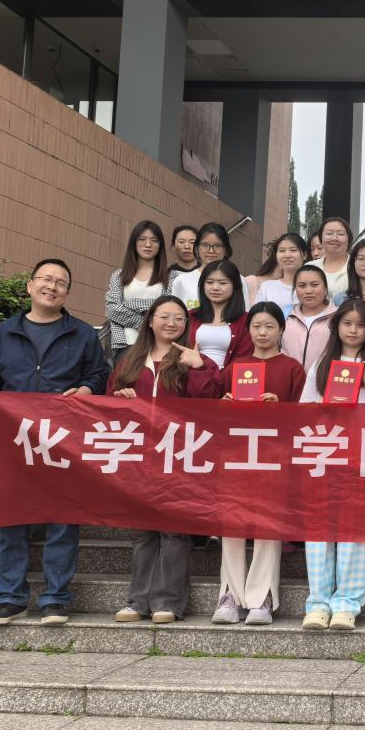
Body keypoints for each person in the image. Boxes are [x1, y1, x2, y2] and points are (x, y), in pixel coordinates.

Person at [0, 259, 110, 626]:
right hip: (13, 439)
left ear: (67, 293)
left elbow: (98, 375)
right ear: (30, 286)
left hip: (63, 439)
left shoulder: (82, 334)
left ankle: (55, 599)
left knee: (63, 519)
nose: (52, 286)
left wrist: (87, 389)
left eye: (60, 282)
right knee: (9, 517)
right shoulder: (4, 332)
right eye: (46, 279)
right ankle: (11, 598)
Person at [108, 295, 220, 624]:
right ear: (150, 320)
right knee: (142, 531)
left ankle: (168, 602)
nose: (172, 323)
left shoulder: (193, 358)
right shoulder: (130, 359)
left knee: (173, 531)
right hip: (139, 457)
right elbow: (108, 402)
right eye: (165, 316)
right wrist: (119, 397)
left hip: (179, 455)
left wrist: (198, 368)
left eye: (179, 318)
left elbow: (211, 402)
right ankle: (137, 601)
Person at [211, 301, 305, 626]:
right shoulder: (235, 366)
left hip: (274, 457)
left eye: (269, 326)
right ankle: (229, 594)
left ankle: (262, 596)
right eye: (256, 326)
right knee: (232, 523)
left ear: (281, 330)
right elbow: (217, 415)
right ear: (248, 330)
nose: (262, 333)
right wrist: (224, 405)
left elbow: (304, 416)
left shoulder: (292, 369)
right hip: (236, 456)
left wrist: (281, 406)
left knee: (268, 524)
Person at [106, 220, 169, 363]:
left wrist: (129, 305)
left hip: (159, 345)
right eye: (142, 239)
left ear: (160, 245)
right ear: (134, 243)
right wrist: (146, 322)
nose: (148, 244)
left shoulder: (170, 277)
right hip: (126, 345)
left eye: (154, 240)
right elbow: (112, 309)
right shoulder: (119, 276)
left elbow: (169, 310)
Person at [186, 259, 252, 368]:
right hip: (194, 376)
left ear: (235, 286)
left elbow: (244, 359)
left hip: (229, 377)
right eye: (209, 282)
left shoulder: (247, 321)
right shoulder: (190, 316)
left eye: (222, 283)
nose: (215, 288)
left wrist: (212, 372)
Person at [169, 223, 250, 309]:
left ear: (226, 250)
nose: (211, 251)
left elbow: (245, 313)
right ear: (197, 248)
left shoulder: (238, 279)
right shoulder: (182, 281)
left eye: (217, 245)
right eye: (205, 245)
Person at [282, 263, 338, 375]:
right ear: (295, 289)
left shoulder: (338, 316)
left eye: (314, 285)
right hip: (289, 381)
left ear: (325, 288)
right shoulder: (285, 315)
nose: (308, 291)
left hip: (323, 381)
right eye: (302, 286)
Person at [254, 233, 307, 317]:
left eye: (293, 250)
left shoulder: (312, 287)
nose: (287, 255)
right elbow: (257, 317)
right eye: (282, 251)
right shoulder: (266, 287)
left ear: (304, 255)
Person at [316, 216, 354, 300]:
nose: (334, 238)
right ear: (321, 238)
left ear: (349, 239)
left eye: (340, 234)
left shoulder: (357, 266)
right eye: (329, 233)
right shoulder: (311, 266)